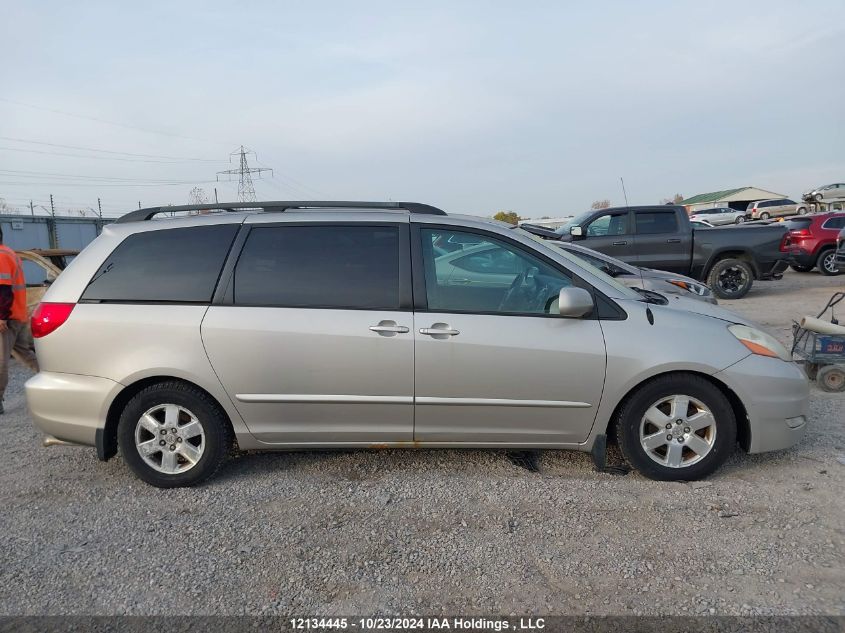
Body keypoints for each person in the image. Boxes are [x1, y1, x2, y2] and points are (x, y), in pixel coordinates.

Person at [0, 228, 39, 413]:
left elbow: (3, 291)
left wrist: (1, 316)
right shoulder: (9, 253)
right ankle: (51, 376)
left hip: (6, 319)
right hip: (16, 315)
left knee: (1, 361)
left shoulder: (1, 256)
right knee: (25, 353)